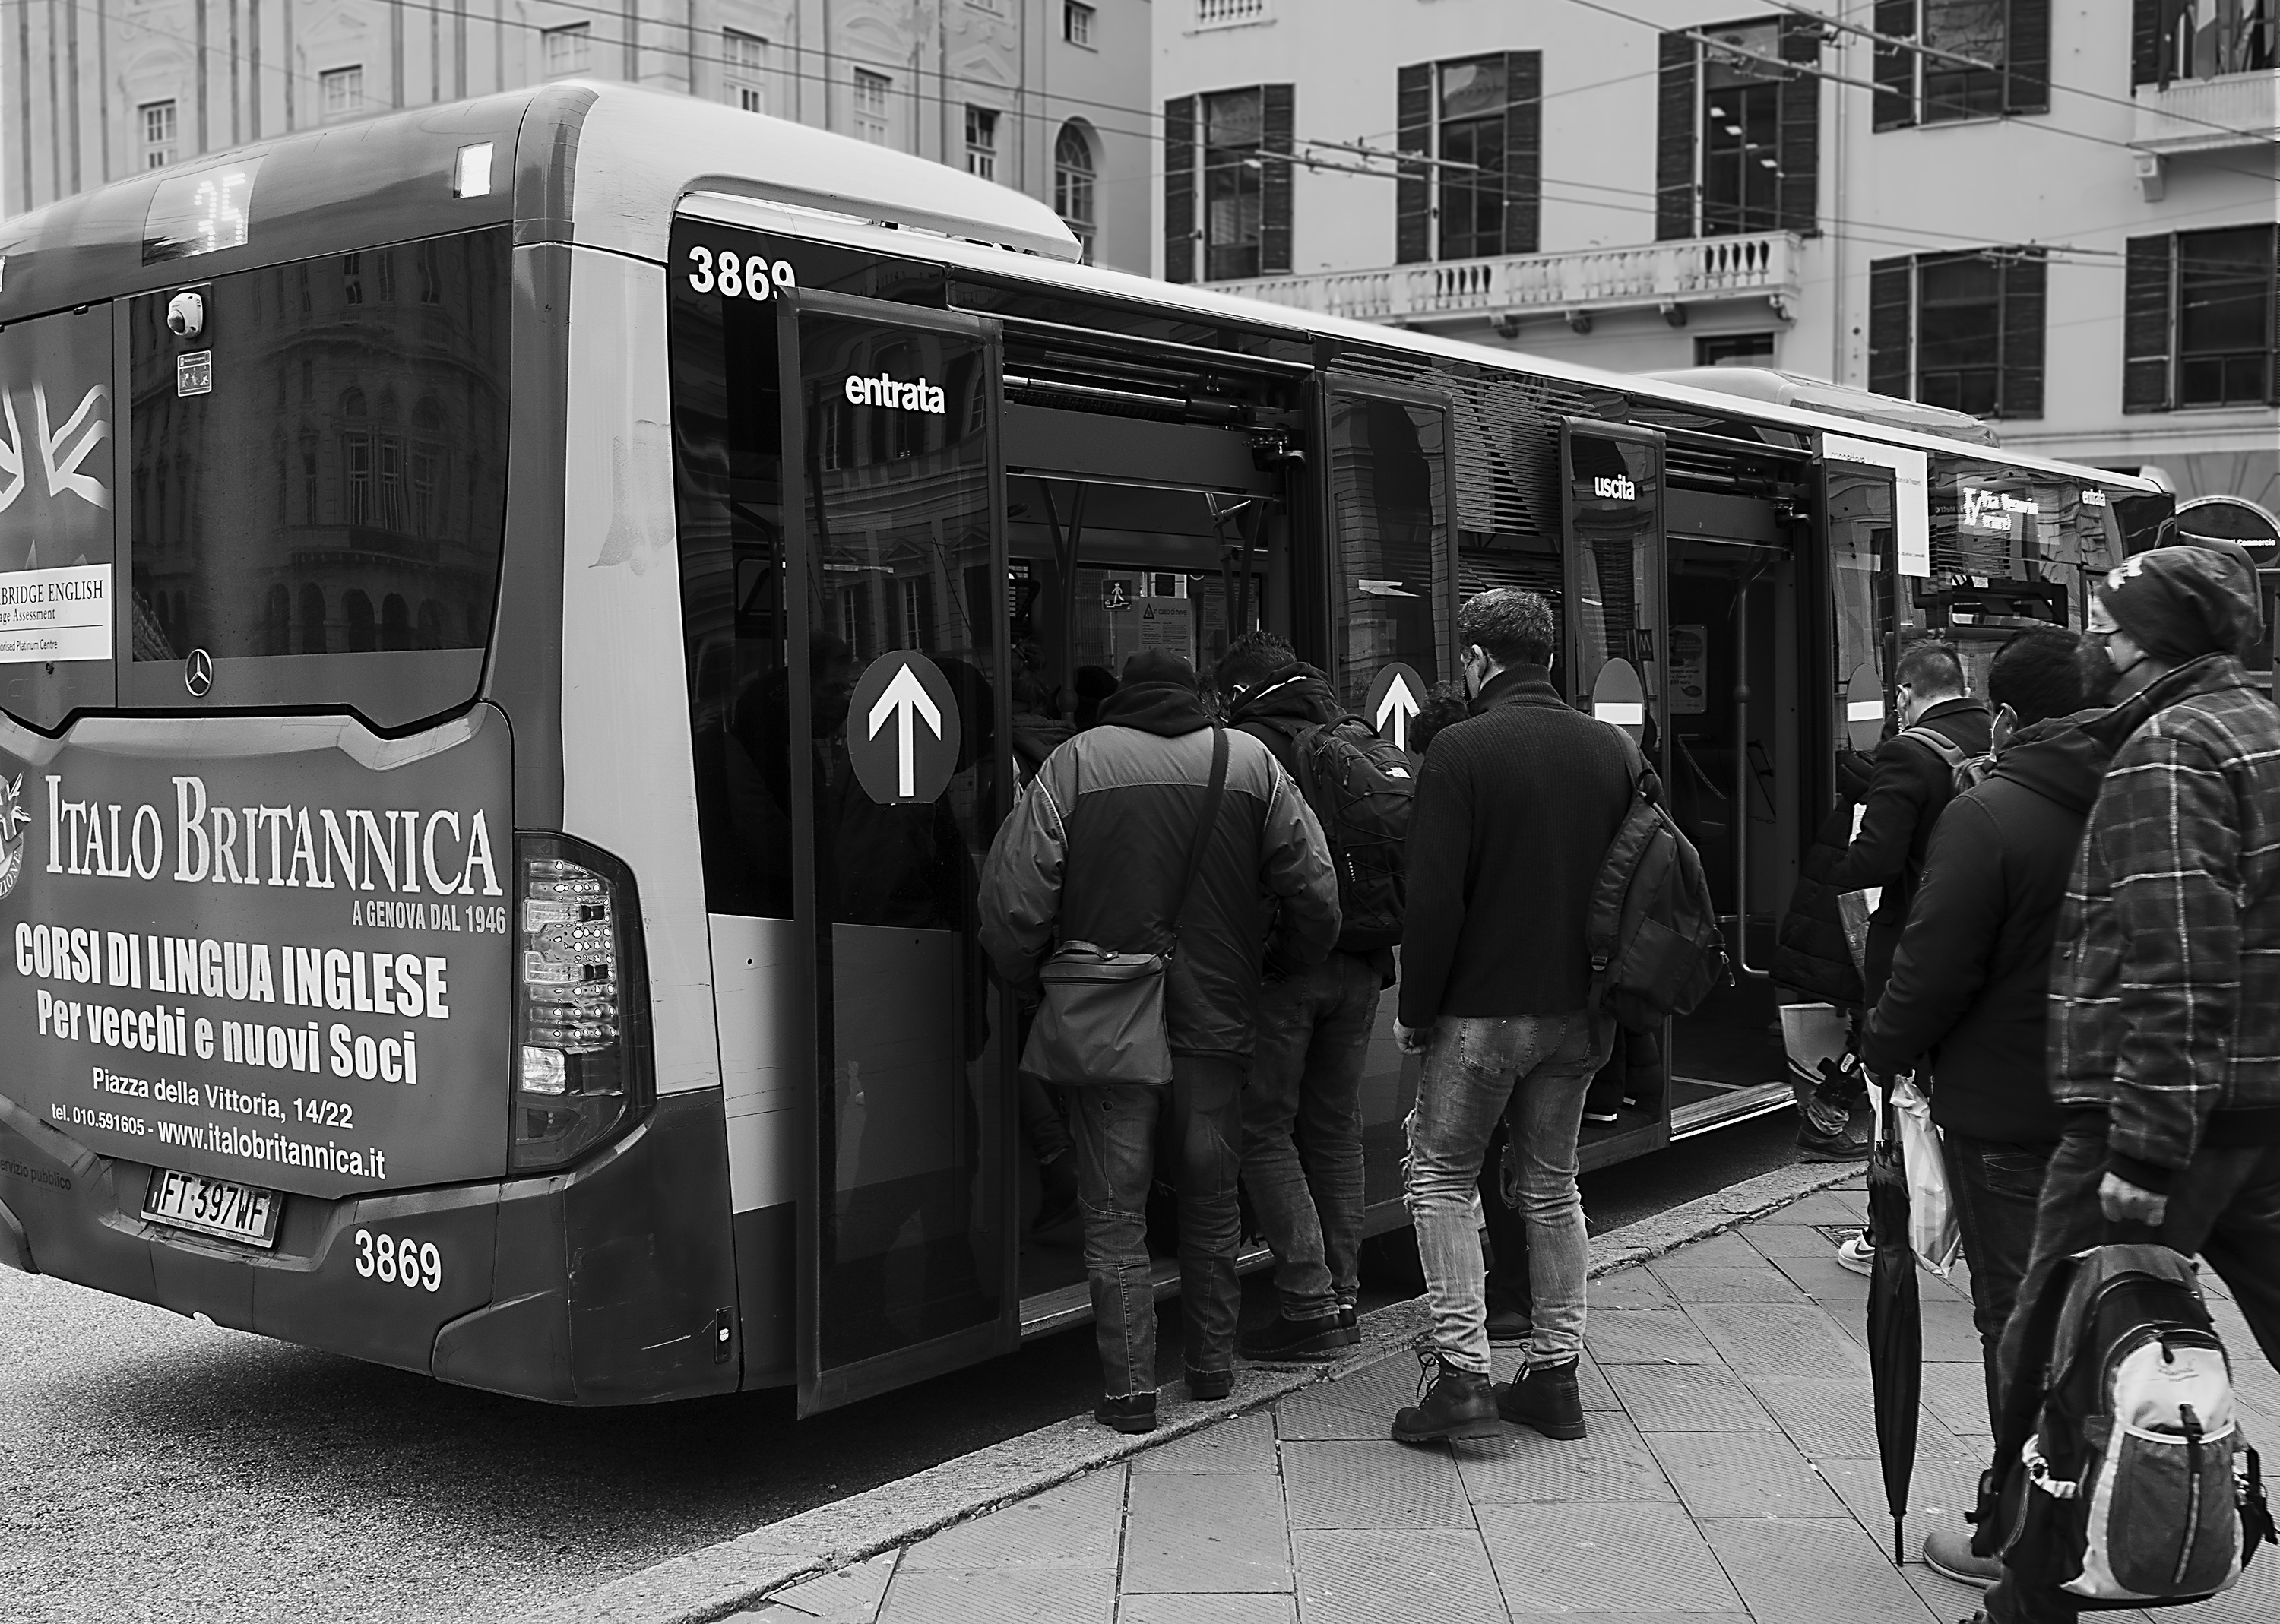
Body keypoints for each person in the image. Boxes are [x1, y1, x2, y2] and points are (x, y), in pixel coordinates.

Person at [1970, 546, 2280, 1624]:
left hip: (2163, 1117)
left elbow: (2174, 963)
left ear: (2150, 642)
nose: (2096, 646)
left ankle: (2033, 1586)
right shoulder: (2265, 727)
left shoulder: (2171, 750)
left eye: (2110, 627)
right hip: (2263, 1102)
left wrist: (2143, 1153)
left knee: (2056, 1338)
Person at [977, 648, 1341, 1435]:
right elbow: (1315, 890)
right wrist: (1276, 965)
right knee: (1211, 1200)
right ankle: (1211, 1369)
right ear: (1199, 695)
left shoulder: (1073, 765)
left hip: (1108, 1023)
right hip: (1217, 1018)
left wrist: (1036, 984)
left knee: (1114, 1209)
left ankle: (1132, 1391)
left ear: (1121, 701)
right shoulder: (1248, 760)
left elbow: (1013, 902)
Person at [1854, 628, 2102, 1588]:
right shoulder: (2148, 798)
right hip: (2122, 1108)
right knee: (2102, 1304)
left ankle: (2024, 1525)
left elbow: (1932, 964)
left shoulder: (1990, 813)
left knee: (2019, 1318)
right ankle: (2117, 1497)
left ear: (2004, 716)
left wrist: (1883, 1053)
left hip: (2007, 1110)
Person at [1389, 587, 1634, 1445]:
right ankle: (1556, 1376)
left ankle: (1461, 1377)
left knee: (1441, 1176)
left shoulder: (1462, 750)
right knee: (1553, 1184)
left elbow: (1434, 901)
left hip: (1485, 1011)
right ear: (1552, 659)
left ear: (1475, 659)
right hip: (1581, 1011)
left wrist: (1417, 1011)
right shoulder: (1612, 749)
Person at [1214, 631, 1388, 1360]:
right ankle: (1344, 1294)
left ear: (1238, 692)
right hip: (1365, 962)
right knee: (1335, 1127)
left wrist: (1275, 956)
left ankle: (1309, 1300)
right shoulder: (1344, 735)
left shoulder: (1249, 751)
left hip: (1292, 965)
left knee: (1263, 1128)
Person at [1826, 639, 1990, 1274]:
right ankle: (1975, 1226)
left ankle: (1889, 1229)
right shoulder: (1995, 735)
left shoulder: (1904, 752)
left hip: (1914, 943)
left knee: (1891, 1096)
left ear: (1903, 694)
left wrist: (1827, 868)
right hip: (1983, 940)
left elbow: (1876, 860)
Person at [1770, 749, 1878, 1161]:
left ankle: (1825, 1118)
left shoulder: (1869, 788)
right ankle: (1824, 1119)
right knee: (1876, 1029)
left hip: (1836, 931)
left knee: (1870, 1026)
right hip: (1853, 934)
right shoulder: (1890, 794)